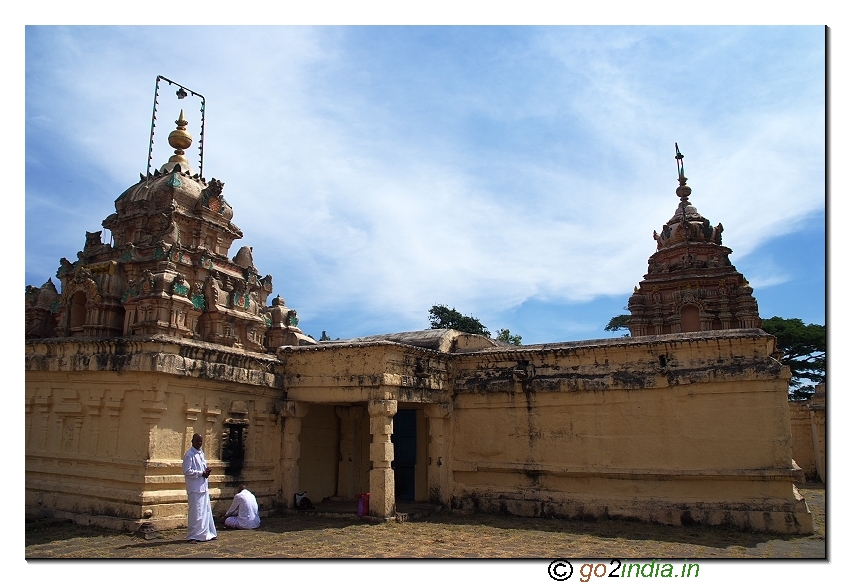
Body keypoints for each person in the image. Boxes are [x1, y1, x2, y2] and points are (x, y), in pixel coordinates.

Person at [183, 433, 217, 542]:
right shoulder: (189, 455)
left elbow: (202, 468)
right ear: (192, 441)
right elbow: (187, 471)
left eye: (201, 441)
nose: (199, 443)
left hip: (203, 486)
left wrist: (206, 471)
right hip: (194, 488)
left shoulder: (201, 453)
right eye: (197, 441)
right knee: (195, 513)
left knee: (205, 512)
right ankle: (193, 536)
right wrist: (201, 473)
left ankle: (206, 533)